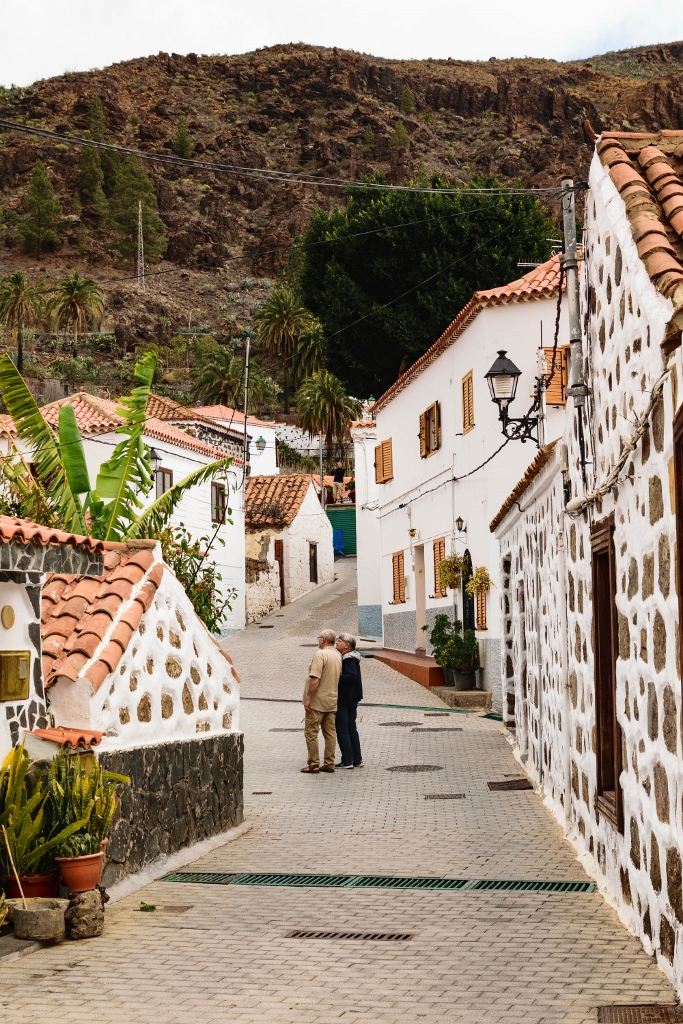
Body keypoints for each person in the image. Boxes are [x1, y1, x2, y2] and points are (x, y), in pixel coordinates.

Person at [301, 628, 342, 774]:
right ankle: (329, 763)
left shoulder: (320, 654)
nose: (318, 640)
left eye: (319, 637)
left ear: (323, 639)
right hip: (331, 700)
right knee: (330, 733)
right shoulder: (337, 655)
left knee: (311, 732)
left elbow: (315, 678)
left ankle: (314, 764)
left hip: (318, 701)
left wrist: (308, 698)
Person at [335, 633, 364, 769]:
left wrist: (338, 679)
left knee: (343, 728)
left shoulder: (348, 660)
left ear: (347, 645)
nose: (337, 642)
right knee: (351, 727)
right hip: (352, 697)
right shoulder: (352, 658)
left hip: (345, 699)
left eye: (339, 641)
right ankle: (356, 759)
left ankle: (347, 760)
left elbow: (351, 676)